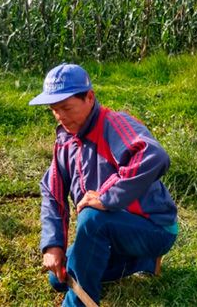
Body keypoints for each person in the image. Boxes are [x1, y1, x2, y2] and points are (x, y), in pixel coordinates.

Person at [30, 63, 178, 307]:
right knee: (58, 277)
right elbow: (52, 191)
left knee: (93, 219)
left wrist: (107, 196)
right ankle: (144, 262)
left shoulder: (113, 124)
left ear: (89, 97)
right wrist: (53, 244)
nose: (60, 116)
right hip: (114, 229)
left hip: (154, 228)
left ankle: (79, 303)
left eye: (66, 107)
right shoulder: (66, 140)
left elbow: (154, 156)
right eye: (54, 110)